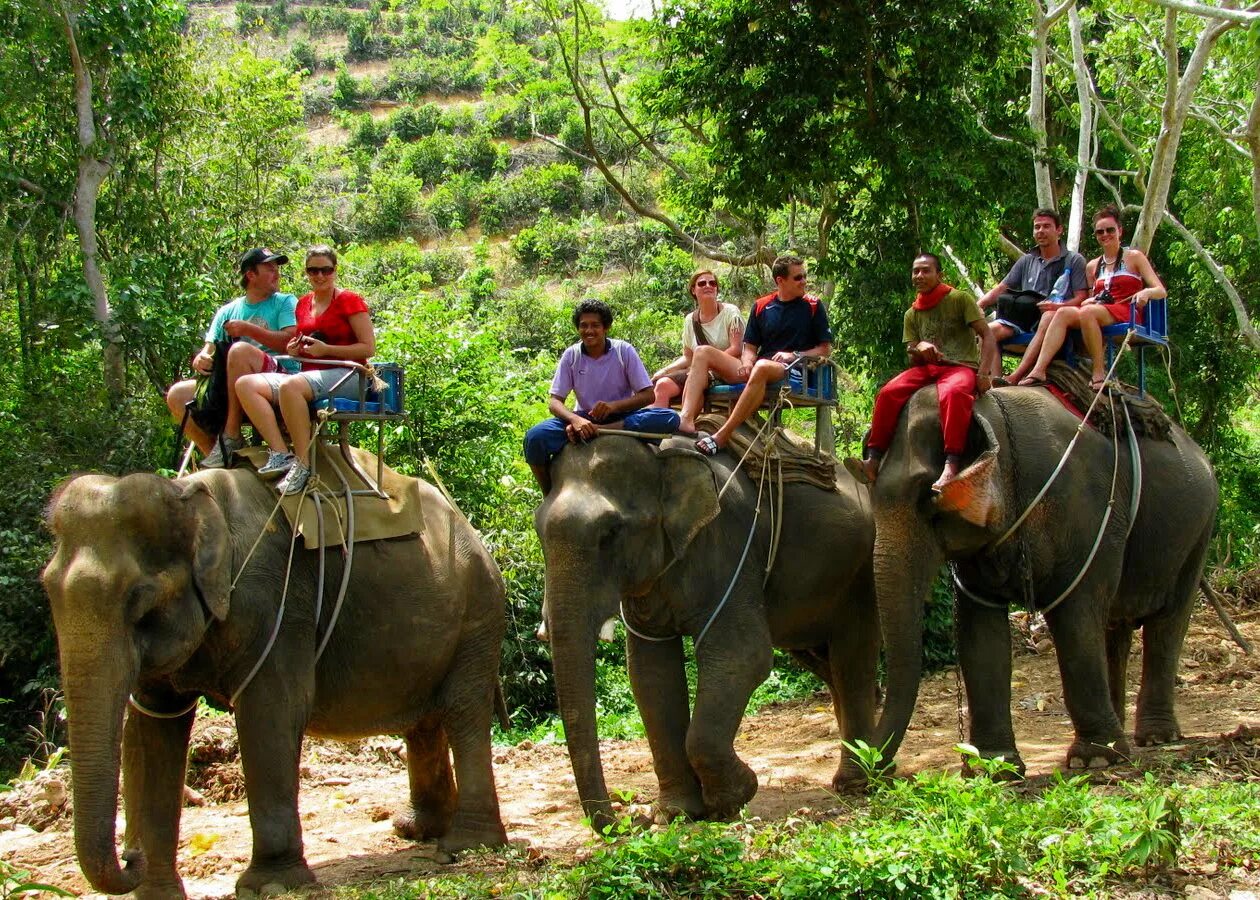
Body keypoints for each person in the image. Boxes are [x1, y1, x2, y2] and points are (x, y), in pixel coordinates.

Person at [845, 253, 998, 491]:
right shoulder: (912, 313)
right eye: (915, 271)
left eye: (926, 270)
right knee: (888, 392)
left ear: (940, 275)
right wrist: (919, 347)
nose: (919, 276)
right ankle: (873, 460)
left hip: (960, 366)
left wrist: (984, 373)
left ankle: (952, 464)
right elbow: (911, 354)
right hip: (927, 369)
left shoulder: (959, 299)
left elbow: (986, 334)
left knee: (954, 394)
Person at [235, 245, 376, 495]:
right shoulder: (302, 304)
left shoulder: (349, 301)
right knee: (246, 384)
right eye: (313, 271)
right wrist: (294, 349)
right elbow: (301, 343)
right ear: (306, 273)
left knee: (291, 386)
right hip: (309, 375)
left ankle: (303, 465)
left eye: (326, 270)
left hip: (348, 373)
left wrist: (326, 350)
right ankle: (280, 452)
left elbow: (368, 348)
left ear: (335, 271)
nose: (319, 276)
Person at [677, 254, 831, 455]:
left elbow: (825, 349)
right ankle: (686, 418)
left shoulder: (812, 306)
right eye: (798, 278)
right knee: (702, 352)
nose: (804, 281)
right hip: (760, 367)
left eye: (804, 276)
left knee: (762, 366)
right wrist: (747, 362)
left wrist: (793, 355)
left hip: (793, 369)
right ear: (780, 281)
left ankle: (722, 436)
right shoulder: (761, 306)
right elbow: (749, 347)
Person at [523, 299, 680, 495]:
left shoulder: (624, 351)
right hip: (584, 418)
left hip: (623, 418)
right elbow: (555, 401)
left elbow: (648, 395)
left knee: (669, 417)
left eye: (595, 325)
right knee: (534, 437)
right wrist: (576, 419)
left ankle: (600, 430)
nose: (589, 330)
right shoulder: (571, 356)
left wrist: (613, 407)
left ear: (606, 327)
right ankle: (548, 493)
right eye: (583, 325)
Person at [165, 248, 298, 467]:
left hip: (280, 377)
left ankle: (231, 436)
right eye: (270, 269)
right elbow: (208, 349)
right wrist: (202, 359)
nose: (277, 274)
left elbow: (290, 341)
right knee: (177, 394)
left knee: (239, 351)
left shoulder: (285, 302)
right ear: (251, 275)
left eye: (277, 269)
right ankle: (223, 459)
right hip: (231, 385)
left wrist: (248, 330)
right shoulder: (228, 311)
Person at [1014, 204, 1166, 391]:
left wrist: (1146, 292)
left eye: (1110, 230)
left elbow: (1160, 290)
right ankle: (1038, 370)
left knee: (1087, 313)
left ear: (1119, 231)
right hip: (1098, 310)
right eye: (1099, 232)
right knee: (1062, 313)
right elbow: (1092, 298)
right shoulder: (1093, 266)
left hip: (1126, 310)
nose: (1105, 235)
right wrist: (1089, 300)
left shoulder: (1134, 257)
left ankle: (1098, 372)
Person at [976, 208, 1087, 383]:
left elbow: (1081, 297)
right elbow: (1002, 288)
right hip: (1023, 317)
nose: (1041, 231)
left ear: (1059, 230)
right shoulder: (1027, 260)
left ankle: (1016, 376)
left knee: (1049, 317)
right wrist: (979, 305)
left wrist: (1058, 306)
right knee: (988, 331)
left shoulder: (1074, 260)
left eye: (1046, 226)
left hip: (1053, 318)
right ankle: (995, 383)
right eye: (1037, 227)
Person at [649, 270, 744, 408]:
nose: (708, 286)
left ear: (717, 288)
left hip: (730, 369)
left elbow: (736, 348)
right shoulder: (690, 320)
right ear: (693, 290)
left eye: (712, 283)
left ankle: (687, 420)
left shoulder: (730, 312)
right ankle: (660, 422)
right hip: (698, 371)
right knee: (663, 385)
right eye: (702, 283)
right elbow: (688, 357)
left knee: (702, 354)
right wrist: (665, 370)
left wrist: (706, 363)